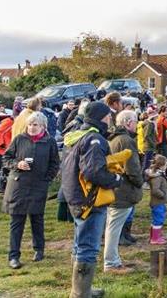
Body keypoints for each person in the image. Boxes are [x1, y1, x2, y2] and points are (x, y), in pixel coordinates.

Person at [61, 102, 122, 298]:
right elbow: (93, 171)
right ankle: (80, 293)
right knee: (88, 246)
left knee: (80, 243)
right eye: (108, 116)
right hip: (90, 200)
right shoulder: (94, 139)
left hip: (74, 196)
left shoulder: (76, 135)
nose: (110, 119)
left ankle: (81, 289)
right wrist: (115, 179)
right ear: (102, 117)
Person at [2, 111, 60, 269]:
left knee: (37, 219)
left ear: (43, 126)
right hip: (18, 184)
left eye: (35, 125)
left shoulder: (49, 142)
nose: (32, 128)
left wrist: (46, 179)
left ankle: (39, 249)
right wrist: (17, 164)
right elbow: (6, 158)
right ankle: (13, 256)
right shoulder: (19, 139)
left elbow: (55, 163)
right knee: (17, 221)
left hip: (38, 185)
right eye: (30, 124)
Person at [103, 110, 143, 274]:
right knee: (114, 227)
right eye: (135, 121)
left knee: (112, 225)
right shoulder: (125, 140)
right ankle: (111, 263)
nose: (137, 125)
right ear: (128, 122)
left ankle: (113, 259)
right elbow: (132, 168)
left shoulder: (114, 138)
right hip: (122, 190)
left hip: (115, 188)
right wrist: (140, 181)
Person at [146, 154, 167, 245]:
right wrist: (163, 195)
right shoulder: (157, 177)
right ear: (161, 165)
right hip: (158, 202)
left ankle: (154, 236)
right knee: (158, 220)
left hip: (159, 202)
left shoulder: (159, 175)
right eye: (166, 165)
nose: (166, 166)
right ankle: (155, 239)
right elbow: (155, 190)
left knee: (156, 219)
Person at [0, 114, 15, 192]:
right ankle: (0, 186)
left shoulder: (13, 122)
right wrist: (1, 144)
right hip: (2, 149)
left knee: (6, 168)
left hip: (7, 148)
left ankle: (4, 186)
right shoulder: (9, 122)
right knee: (2, 168)